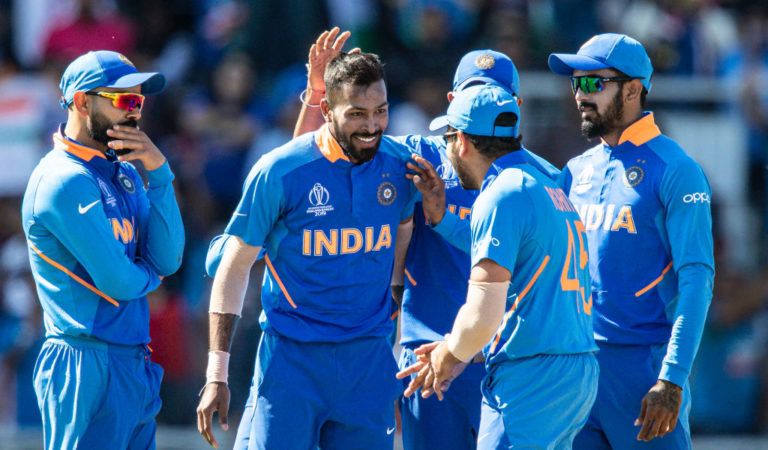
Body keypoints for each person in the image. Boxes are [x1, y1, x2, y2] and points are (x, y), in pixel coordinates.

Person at [293, 28, 560, 450]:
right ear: (453, 103)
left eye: (494, 98)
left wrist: (443, 219)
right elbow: (304, 171)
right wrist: (317, 95)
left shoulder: (547, 180)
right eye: (472, 97)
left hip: (510, 361)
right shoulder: (422, 155)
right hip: (428, 362)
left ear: (515, 107)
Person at [196, 51, 418, 450]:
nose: (371, 126)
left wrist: (398, 339)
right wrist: (217, 374)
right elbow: (233, 267)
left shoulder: (401, 166)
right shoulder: (280, 170)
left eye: (380, 111)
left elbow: (403, 246)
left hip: (368, 362)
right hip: (291, 361)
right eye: (357, 114)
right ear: (327, 109)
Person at [398, 83, 599, 449]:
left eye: (447, 138)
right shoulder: (544, 184)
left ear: (462, 141)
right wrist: (442, 219)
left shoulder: (502, 193)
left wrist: (448, 354)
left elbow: (482, 314)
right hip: (574, 370)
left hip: (532, 375)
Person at [547, 33, 715, 447]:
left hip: (646, 374)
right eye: (575, 83)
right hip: (578, 370)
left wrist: (672, 379)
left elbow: (697, 279)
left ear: (633, 89)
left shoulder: (676, 169)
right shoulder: (574, 170)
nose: (580, 95)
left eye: (593, 83)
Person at [22, 50, 184, 450]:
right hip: (84, 361)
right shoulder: (61, 179)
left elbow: (168, 258)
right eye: (124, 100)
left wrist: (159, 173)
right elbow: (119, 281)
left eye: (139, 101)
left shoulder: (125, 172)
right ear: (82, 102)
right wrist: (150, 277)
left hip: (132, 357)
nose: (135, 112)